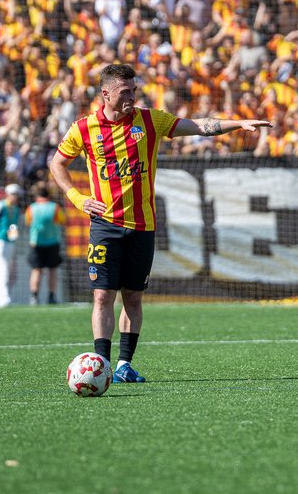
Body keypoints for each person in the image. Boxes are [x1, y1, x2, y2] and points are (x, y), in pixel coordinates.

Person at [48, 63, 269, 384]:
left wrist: (237, 124)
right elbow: (57, 163)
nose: (132, 97)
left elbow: (198, 126)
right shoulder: (84, 128)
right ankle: (102, 363)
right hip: (105, 225)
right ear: (105, 94)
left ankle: (124, 364)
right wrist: (77, 198)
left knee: (133, 297)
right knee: (101, 296)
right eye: (125, 92)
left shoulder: (149, 120)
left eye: (134, 91)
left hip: (142, 226)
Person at [26, 182, 67, 305]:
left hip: (36, 243)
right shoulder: (55, 207)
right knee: (52, 270)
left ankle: (34, 296)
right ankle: (51, 296)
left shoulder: (31, 208)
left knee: (36, 270)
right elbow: (62, 220)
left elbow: (28, 222)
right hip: (53, 242)